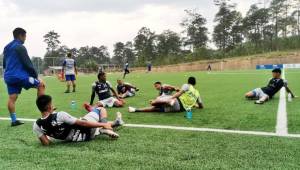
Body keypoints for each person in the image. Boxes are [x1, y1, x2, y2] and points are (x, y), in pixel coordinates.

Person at [33, 95, 124, 146]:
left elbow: (46, 143)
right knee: (101, 109)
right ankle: (103, 128)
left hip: (82, 139)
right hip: (88, 130)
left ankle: (115, 123)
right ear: (49, 106)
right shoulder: (60, 115)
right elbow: (83, 124)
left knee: (91, 121)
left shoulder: (36, 125)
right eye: (51, 104)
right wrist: (102, 124)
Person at [3, 27, 45, 127]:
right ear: (21, 36)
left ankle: (14, 120)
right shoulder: (20, 47)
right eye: (25, 36)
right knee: (41, 85)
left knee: (12, 97)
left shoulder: (7, 47)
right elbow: (28, 64)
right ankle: (45, 116)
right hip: (19, 76)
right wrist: (36, 76)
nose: (25, 38)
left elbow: (4, 63)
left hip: (8, 76)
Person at [129, 77, 203, 113]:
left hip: (177, 101)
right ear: (195, 84)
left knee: (154, 105)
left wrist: (171, 98)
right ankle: (135, 110)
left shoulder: (187, 85)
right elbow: (201, 106)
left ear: (188, 82)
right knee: (156, 109)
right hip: (179, 109)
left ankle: (136, 109)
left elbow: (179, 93)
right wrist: (195, 105)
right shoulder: (197, 93)